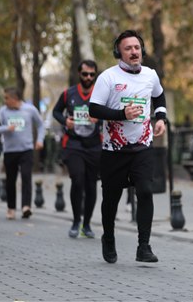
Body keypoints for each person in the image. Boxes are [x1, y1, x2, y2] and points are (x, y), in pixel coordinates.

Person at [89, 29, 167, 264]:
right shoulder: (108, 77)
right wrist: (122, 114)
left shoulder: (150, 75)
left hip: (142, 146)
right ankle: (108, 237)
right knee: (111, 199)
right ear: (119, 53)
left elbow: (159, 97)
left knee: (145, 191)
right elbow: (94, 109)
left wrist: (161, 118)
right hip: (114, 150)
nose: (134, 52)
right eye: (128, 48)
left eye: (137, 47)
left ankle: (144, 246)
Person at [52, 60, 102, 239]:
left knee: (91, 185)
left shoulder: (101, 94)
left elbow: (111, 114)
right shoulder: (69, 94)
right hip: (73, 144)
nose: (88, 77)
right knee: (78, 179)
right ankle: (75, 221)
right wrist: (66, 121)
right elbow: (56, 112)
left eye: (92, 74)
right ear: (79, 74)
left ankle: (86, 224)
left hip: (94, 145)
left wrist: (99, 118)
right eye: (85, 74)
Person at [0, 87, 45, 220]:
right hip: (10, 150)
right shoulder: (3, 111)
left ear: (15, 98)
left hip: (26, 150)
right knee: (10, 180)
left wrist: (40, 140)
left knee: (26, 177)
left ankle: (26, 207)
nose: (5, 101)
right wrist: (6, 128)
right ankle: (11, 208)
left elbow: (40, 125)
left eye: (7, 98)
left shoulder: (30, 109)